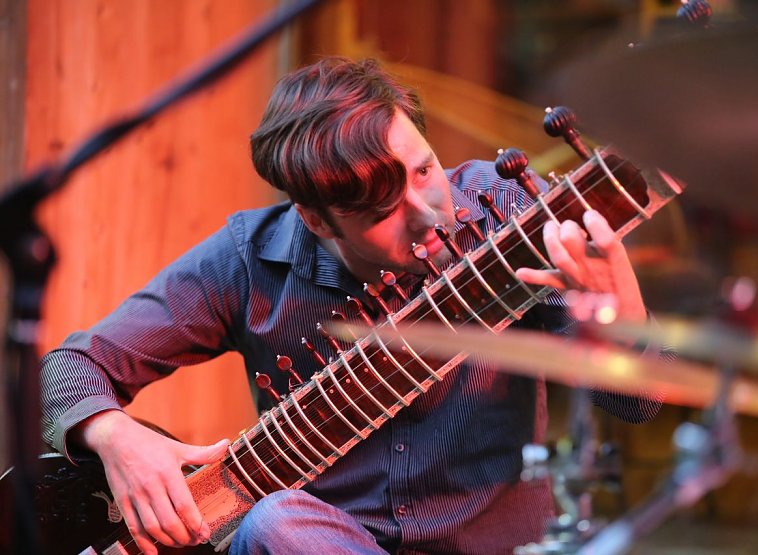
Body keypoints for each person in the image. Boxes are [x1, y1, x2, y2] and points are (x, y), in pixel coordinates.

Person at [41, 57, 664, 555]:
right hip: (320, 546)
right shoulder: (249, 259)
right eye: (382, 211)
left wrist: (614, 303)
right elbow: (59, 375)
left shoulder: (509, 218)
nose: (428, 213)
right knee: (276, 524)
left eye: (424, 170)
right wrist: (115, 435)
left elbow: (636, 402)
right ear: (314, 219)